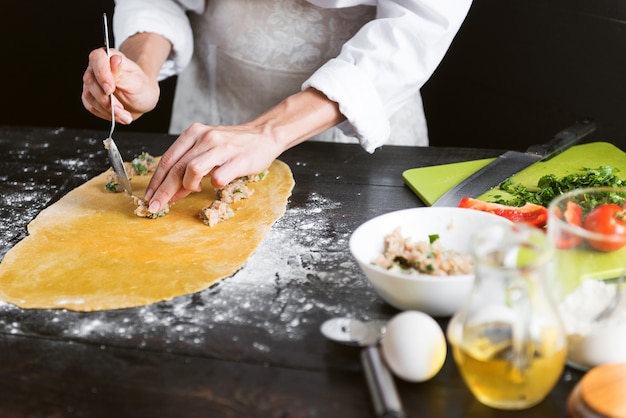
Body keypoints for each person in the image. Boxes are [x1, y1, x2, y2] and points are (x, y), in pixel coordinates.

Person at [82, 0, 472, 215]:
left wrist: (267, 131)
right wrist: (138, 67)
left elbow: (421, 22)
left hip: (357, 117)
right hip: (213, 98)